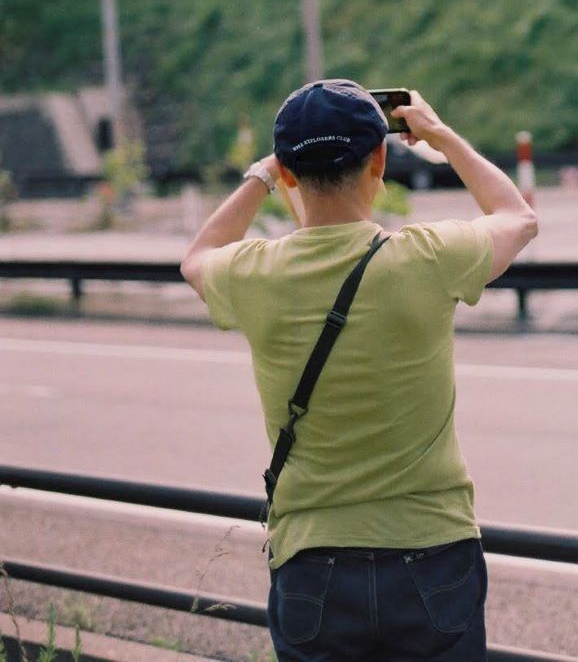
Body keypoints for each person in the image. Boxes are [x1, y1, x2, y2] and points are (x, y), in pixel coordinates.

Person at [180, 80, 538, 662]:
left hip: (313, 565)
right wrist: (441, 137)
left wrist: (263, 174)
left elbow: (195, 257)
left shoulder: (256, 274)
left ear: (289, 173)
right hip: (432, 550)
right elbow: (517, 217)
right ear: (380, 160)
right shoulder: (426, 257)